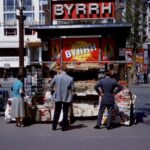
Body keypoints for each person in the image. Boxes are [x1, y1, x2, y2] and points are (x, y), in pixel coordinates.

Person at [49, 64, 74, 131]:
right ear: (66, 70)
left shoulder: (56, 77)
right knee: (65, 112)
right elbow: (73, 88)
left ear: (61, 70)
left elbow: (50, 86)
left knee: (57, 111)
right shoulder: (70, 78)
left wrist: (53, 92)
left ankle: (54, 126)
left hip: (58, 96)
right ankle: (63, 127)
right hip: (66, 97)